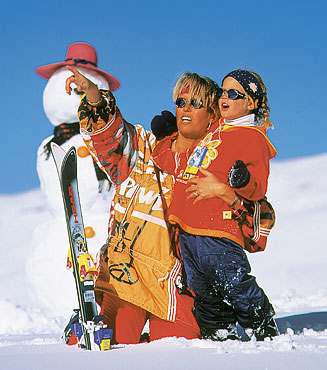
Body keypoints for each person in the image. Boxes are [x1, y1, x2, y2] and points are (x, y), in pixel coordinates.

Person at [65, 66, 204, 344]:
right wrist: (93, 96)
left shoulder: (214, 159)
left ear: (212, 113)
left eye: (197, 103)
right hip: (127, 274)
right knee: (109, 342)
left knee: (178, 349)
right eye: (180, 101)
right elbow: (110, 138)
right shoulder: (145, 148)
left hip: (175, 283)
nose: (186, 108)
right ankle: (84, 322)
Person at [150, 69, 279, 341]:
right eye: (222, 91)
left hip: (218, 225)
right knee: (202, 286)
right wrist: (166, 139)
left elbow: (258, 186)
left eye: (234, 93)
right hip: (188, 227)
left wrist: (239, 181)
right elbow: (176, 162)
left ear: (251, 102)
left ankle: (261, 323)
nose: (224, 97)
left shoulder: (252, 136)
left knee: (231, 279)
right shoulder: (214, 131)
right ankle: (217, 330)